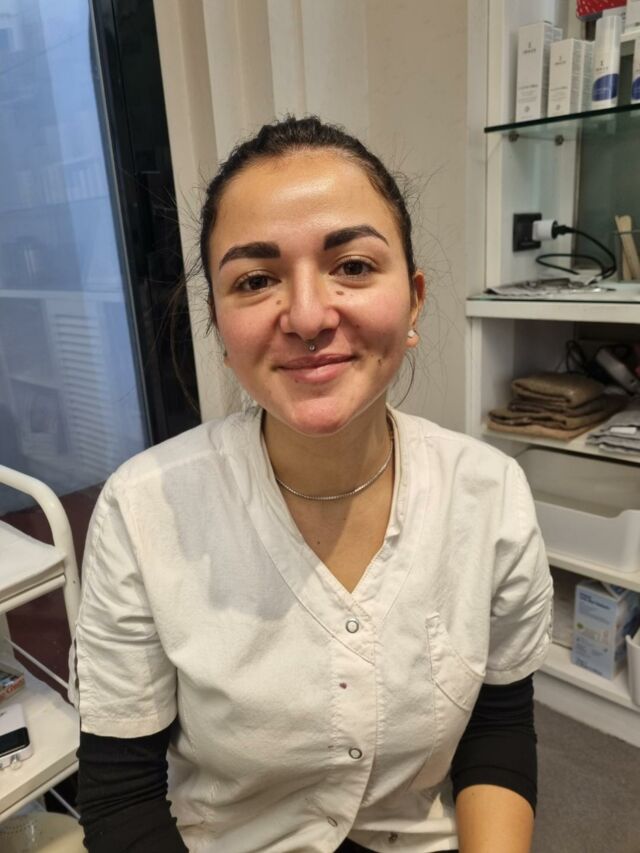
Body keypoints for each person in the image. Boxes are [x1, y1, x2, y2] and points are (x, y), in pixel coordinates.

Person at [70, 116, 553, 853]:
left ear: (414, 299)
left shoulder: (490, 494)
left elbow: (498, 725)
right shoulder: (143, 509)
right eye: (255, 280)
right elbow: (121, 795)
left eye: (352, 266)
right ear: (219, 327)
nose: (306, 316)